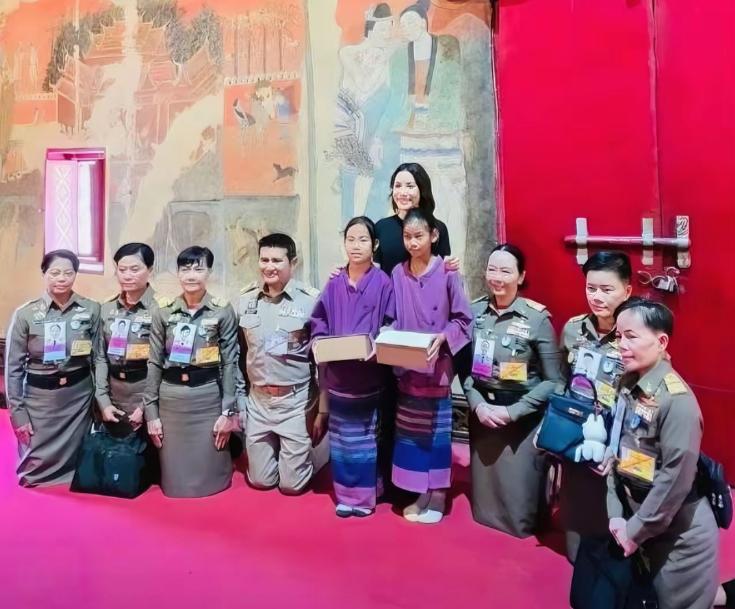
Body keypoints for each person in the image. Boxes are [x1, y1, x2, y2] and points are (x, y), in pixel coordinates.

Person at [607, 297, 719, 609]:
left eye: (631, 336)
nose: (621, 345)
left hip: (678, 536)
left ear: (661, 342)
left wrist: (633, 531)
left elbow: (674, 481)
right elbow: (616, 449)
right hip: (638, 519)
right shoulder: (627, 383)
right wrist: (615, 511)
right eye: (619, 336)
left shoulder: (677, 402)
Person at [459, 244, 561, 537]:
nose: (497, 277)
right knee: (484, 506)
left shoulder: (537, 319)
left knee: (520, 512)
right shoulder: (474, 312)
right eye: (492, 269)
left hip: (522, 418)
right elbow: (464, 370)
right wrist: (478, 405)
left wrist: (512, 412)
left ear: (521, 276)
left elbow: (553, 381)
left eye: (506, 271)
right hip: (483, 415)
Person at [390, 208, 472, 523]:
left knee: (437, 434)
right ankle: (419, 492)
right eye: (407, 237)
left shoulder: (448, 272)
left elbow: (463, 320)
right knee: (411, 432)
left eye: (419, 236)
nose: (413, 243)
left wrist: (444, 336)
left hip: (437, 368)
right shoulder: (398, 273)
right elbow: (393, 315)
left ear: (433, 235)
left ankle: (438, 494)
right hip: (408, 368)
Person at [310, 216, 395, 517]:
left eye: (363, 240)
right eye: (350, 239)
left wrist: (378, 343)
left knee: (366, 439)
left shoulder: (384, 282)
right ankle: (345, 495)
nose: (356, 246)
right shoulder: (334, 283)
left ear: (375, 244)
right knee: (342, 441)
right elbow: (318, 320)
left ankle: (365, 496)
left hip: (369, 376)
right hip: (339, 377)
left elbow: (392, 321)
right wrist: (318, 341)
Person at [143, 246, 239, 498]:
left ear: (209, 272)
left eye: (199, 269)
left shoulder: (222, 310)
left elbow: (230, 363)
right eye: (185, 269)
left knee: (212, 467)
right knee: (175, 481)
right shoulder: (164, 311)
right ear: (177, 273)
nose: (191, 275)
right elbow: (154, 363)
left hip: (207, 397)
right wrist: (151, 413)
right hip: (172, 399)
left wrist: (228, 412)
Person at [558, 251, 632, 562]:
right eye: (591, 288)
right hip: (578, 430)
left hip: (620, 436)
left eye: (607, 289)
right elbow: (562, 379)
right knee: (577, 506)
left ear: (627, 290)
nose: (597, 297)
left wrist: (617, 448)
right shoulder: (573, 329)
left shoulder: (637, 335)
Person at [5, 249, 100, 486]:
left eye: (68, 273)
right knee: (33, 468)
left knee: (78, 454)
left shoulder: (90, 309)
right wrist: (17, 413)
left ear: (76, 274)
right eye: (55, 273)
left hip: (78, 397)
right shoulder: (26, 314)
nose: (62, 279)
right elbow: (13, 368)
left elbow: (98, 358)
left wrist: (100, 401)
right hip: (40, 399)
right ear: (44, 274)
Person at [237, 233, 322, 495]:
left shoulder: (310, 301)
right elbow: (240, 354)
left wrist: (322, 409)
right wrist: (240, 400)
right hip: (259, 401)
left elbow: (321, 359)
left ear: (292, 263)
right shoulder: (245, 300)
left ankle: (316, 454)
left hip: (294, 402)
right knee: (260, 481)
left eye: (277, 260)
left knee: (291, 486)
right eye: (264, 260)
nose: (269, 266)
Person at [96, 243, 164, 437]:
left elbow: (163, 362)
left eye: (135, 269)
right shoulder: (107, 309)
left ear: (150, 270)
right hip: (114, 395)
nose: (127, 276)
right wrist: (103, 400)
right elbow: (100, 357)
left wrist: (145, 406)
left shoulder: (162, 309)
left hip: (147, 394)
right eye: (122, 269)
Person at [373, 162, 452, 276]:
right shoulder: (381, 227)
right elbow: (375, 271)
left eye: (410, 186)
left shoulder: (438, 228)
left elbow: (442, 273)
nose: (402, 192)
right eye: (398, 186)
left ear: (422, 189)